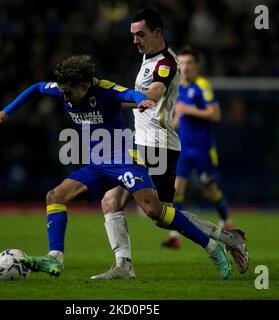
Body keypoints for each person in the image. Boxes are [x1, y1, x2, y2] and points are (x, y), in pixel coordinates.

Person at [0, 55, 234, 279]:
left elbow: (128, 94)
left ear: (85, 86)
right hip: (98, 164)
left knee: (154, 211)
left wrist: (143, 101)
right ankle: (55, 258)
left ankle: (213, 247)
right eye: (62, 92)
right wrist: (6, 111)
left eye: (69, 92)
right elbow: (37, 88)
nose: (65, 98)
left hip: (125, 159)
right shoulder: (61, 90)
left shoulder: (105, 90)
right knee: (55, 196)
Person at [91, 8, 248, 279]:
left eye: (140, 34)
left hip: (158, 147)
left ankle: (224, 241)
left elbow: (155, 90)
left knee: (158, 213)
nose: (135, 40)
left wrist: (128, 97)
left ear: (157, 33)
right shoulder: (147, 57)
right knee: (112, 202)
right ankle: (124, 266)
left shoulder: (165, 62)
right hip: (141, 145)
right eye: (133, 35)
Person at [161, 46, 233, 250]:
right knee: (177, 189)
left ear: (196, 65)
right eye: (181, 63)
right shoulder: (177, 88)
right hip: (183, 147)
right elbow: (177, 119)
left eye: (189, 63)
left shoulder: (203, 86)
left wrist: (190, 110)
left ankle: (226, 220)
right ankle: (174, 234)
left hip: (202, 148)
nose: (184, 67)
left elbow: (215, 114)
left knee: (210, 190)